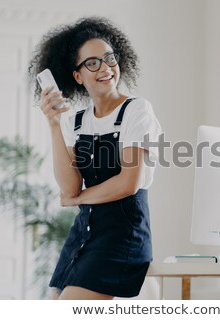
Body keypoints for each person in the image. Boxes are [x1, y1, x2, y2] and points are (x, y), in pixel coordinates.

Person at [28, 17, 162, 300]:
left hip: (123, 235)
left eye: (109, 58)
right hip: (84, 235)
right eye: (92, 63)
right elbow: (69, 188)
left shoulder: (137, 110)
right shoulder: (76, 122)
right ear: (77, 76)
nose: (105, 68)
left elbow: (129, 183)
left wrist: (77, 200)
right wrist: (54, 123)